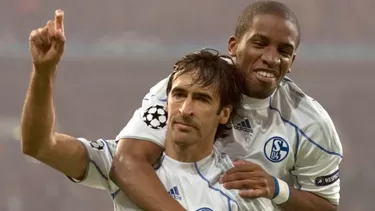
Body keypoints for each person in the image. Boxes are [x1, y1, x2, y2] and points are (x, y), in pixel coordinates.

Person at [20, 9, 274, 210]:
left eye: (201, 99)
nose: (186, 109)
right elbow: (39, 145)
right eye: (179, 94)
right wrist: (44, 72)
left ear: (224, 113)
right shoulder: (116, 160)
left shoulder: (241, 192)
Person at [110, 1, 343, 211]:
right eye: (259, 44)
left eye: (284, 51)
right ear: (233, 46)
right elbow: (127, 162)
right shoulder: (188, 84)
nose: (271, 58)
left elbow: (326, 205)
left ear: (291, 62)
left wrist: (277, 189)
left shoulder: (311, 124)